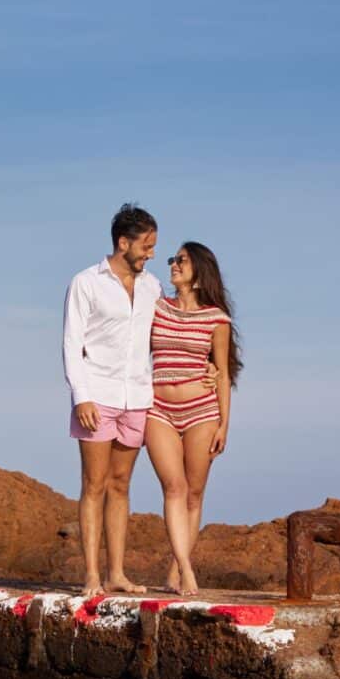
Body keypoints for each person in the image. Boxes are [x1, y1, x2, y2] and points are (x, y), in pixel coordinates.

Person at [62, 204, 164, 597]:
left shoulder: (153, 287)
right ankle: (91, 575)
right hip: (97, 396)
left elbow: (166, 336)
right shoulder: (86, 282)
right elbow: (72, 343)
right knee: (94, 484)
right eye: (146, 246)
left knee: (121, 485)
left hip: (137, 397)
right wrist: (81, 396)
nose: (151, 253)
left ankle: (116, 573)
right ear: (123, 243)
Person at [146, 241, 243, 595]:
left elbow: (222, 372)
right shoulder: (156, 307)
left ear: (199, 272)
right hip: (158, 409)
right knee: (174, 487)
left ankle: (175, 569)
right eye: (173, 259)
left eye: (181, 260)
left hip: (202, 412)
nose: (173, 264)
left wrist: (224, 425)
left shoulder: (217, 319)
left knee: (194, 493)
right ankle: (187, 569)